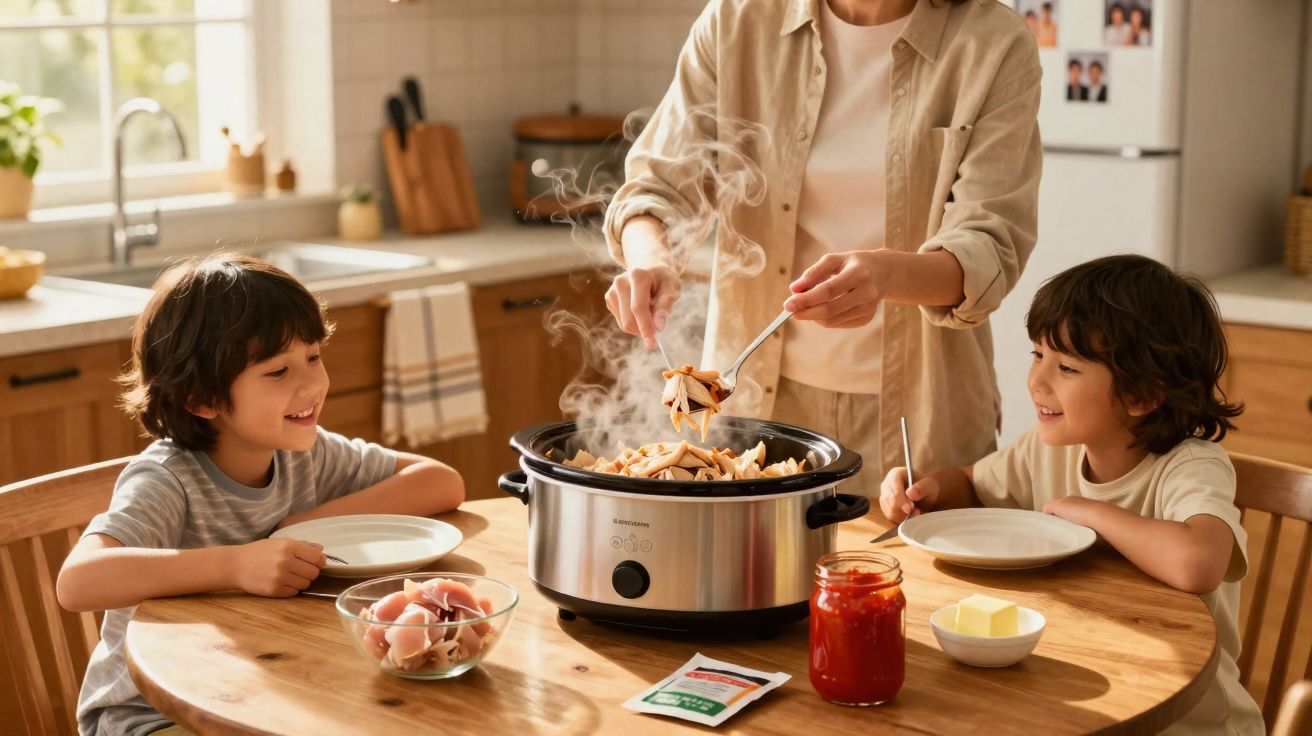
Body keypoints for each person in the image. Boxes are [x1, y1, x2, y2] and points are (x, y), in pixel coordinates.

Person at [604, 0, 1042, 487]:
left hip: (922, 421)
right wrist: (651, 259)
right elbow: (656, 186)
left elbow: (988, 247)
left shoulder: (992, 43)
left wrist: (886, 276)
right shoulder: (738, 21)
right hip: (750, 409)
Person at [58, 253, 466, 736]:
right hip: (151, 714)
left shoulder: (302, 453)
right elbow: (78, 582)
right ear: (202, 399)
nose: (312, 382)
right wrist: (237, 564)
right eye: (278, 372)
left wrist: (309, 523)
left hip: (257, 693)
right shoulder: (169, 479)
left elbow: (442, 481)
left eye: (313, 356)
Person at [878, 254, 1263, 736]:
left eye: (1067, 368)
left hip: (1187, 721)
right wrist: (929, 491)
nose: (1036, 381)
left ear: (1143, 395)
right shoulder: (1049, 450)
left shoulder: (1191, 467)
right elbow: (972, 484)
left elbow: (1197, 563)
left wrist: (1090, 513)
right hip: (1089, 679)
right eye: (1038, 355)